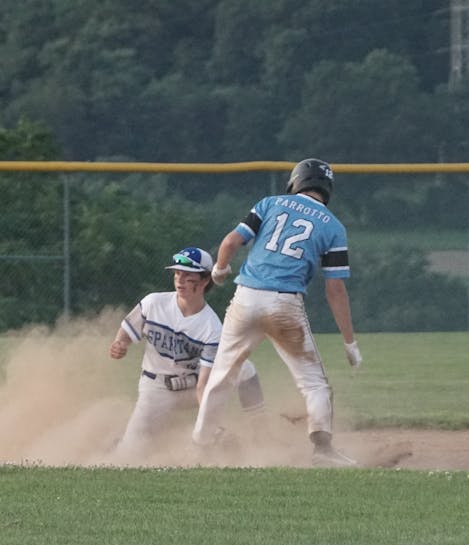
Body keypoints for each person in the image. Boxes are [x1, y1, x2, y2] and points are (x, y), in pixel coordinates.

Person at [191, 158, 362, 467]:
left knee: (222, 376)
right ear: (327, 189)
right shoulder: (334, 226)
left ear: (296, 181)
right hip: (285, 304)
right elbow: (335, 289)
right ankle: (322, 450)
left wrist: (218, 270)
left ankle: (200, 445)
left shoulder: (270, 203)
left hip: (245, 298)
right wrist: (350, 343)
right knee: (314, 384)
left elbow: (230, 242)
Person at [109, 246, 264, 460]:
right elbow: (126, 332)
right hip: (156, 389)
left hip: (192, 386)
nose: (180, 280)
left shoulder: (211, 327)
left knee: (244, 368)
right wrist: (120, 344)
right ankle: (124, 442)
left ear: (204, 281)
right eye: (177, 274)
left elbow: (203, 385)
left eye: (188, 276)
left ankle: (259, 429)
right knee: (129, 455)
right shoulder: (154, 303)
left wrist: (210, 425)